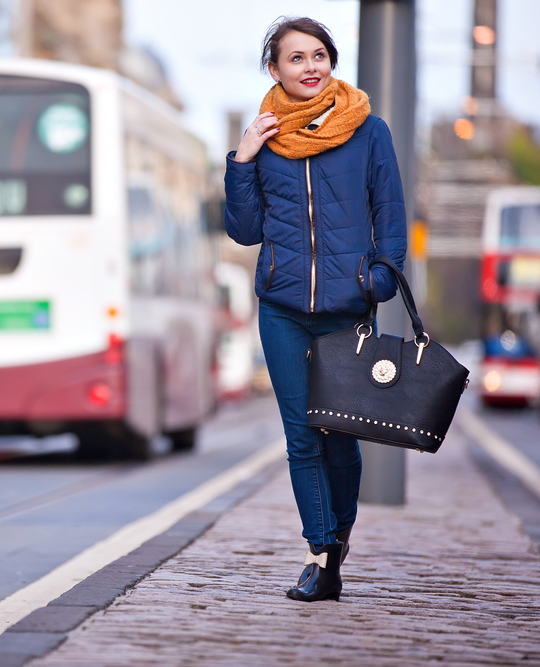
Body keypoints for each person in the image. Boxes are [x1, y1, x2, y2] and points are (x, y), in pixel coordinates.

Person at [224, 17, 407, 602]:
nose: (311, 67)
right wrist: (243, 160)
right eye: (296, 58)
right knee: (301, 434)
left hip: (346, 307)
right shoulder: (265, 138)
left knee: (340, 436)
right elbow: (244, 230)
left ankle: (339, 535)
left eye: (320, 55)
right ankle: (322, 554)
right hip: (281, 307)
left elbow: (392, 214)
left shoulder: (368, 130)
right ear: (274, 70)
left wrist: (375, 280)